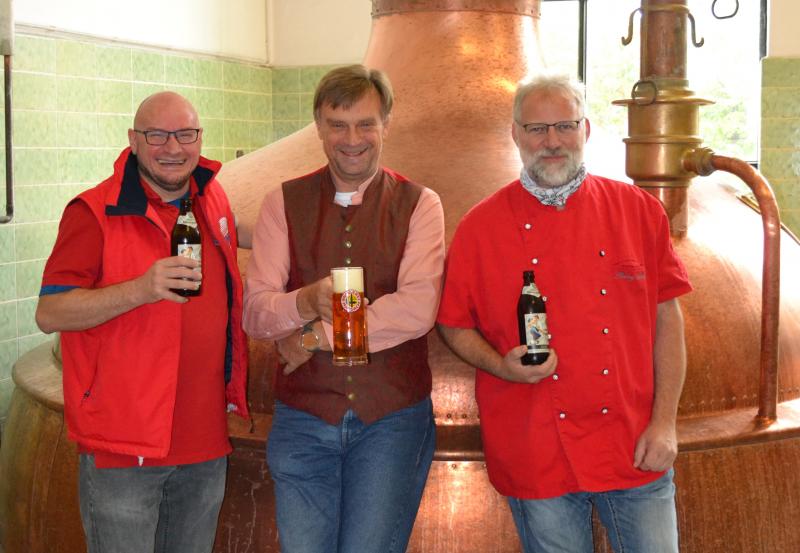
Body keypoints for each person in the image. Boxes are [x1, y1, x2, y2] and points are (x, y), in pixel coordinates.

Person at [436, 73, 692, 553]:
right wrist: (499, 365)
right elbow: (452, 323)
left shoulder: (637, 210)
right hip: (536, 448)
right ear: (515, 135)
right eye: (536, 129)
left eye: (564, 126)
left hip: (634, 441)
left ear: (586, 130)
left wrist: (665, 422)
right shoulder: (480, 227)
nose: (551, 141)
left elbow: (667, 319)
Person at [243, 64, 445, 553]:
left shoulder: (421, 205)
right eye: (338, 124)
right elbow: (255, 312)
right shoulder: (281, 204)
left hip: (391, 421)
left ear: (386, 126)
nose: (351, 139)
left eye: (365, 124)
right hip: (304, 419)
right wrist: (305, 300)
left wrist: (313, 335)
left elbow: (417, 309)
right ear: (318, 127)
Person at [35, 91, 248, 553]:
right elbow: (50, 313)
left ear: (199, 139)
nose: (173, 147)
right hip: (123, 447)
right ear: (133, 140)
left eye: (185, 134)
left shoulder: (212, 201)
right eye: (157, 135)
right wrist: (140, 289)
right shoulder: (92, 213)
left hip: (204, 443)